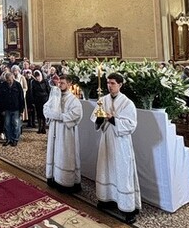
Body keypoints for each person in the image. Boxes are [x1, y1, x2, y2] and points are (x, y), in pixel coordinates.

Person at [94, 73, 141, 224]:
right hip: (107, 140)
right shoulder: (103, 100)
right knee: (106, 169)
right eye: (108, 83)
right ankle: (107, 199)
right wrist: (101, 118)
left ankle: (128, 208)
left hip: (121, 142)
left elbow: (131, 125)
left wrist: (112, 118)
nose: (109, 86)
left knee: (122, 172)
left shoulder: (127, 103)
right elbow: (96, 121)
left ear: (120, 85)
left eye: (113, 83)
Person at [44, 75, 83, 193]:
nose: (59, 85)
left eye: (62, 83)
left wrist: (58, 116)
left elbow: (76, 114)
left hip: (66, 133)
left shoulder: (74, 100)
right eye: (59, 83)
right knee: (54, 153)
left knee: (65, 155)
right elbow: (45, 108)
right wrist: (51, 114)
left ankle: (66, 182)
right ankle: (53, 177)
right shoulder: (55, 97)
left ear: (69, 84)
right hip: (54, 130)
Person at [0, 72, 25, 147]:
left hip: (16, 108)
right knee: (7, 124)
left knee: (16, 124)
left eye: (10, 80)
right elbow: (1, 98)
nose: (9, 82)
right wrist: (1, 109)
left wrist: (22, 110)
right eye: (7, 80)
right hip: (6, 108)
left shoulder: (18, 85)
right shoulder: (3, 85)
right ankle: (8, 139)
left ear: (12, 78)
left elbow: (21, 97)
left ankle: (15, 139)